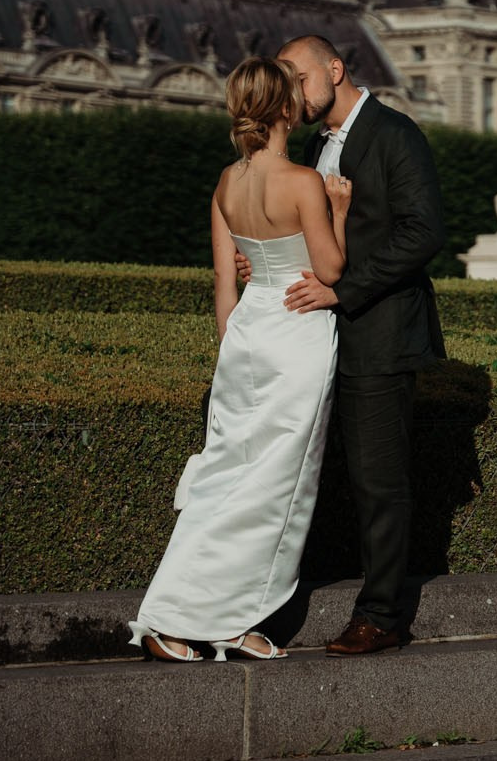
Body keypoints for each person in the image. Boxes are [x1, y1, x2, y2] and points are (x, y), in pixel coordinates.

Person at [129, 57, 351, 662]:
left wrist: (234, 345)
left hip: (248, 334)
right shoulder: (303, 182)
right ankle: (182, 618)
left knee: (227, 478)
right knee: (276, 488)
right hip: (296, 335)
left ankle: (225, 619)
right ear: (285, 110)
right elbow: (331, 270)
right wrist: (340, 210)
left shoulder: (226, 182)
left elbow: (224, 282)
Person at [269, 33, 447, 656]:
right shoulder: (315, 145)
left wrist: (343, 292)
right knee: (329, 476)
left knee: (380, 481)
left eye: (299, 78)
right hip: (321, 336)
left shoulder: (395, 134)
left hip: (379, 334)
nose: (291, 92)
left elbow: (423, 233)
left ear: (336, 69)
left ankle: (382, 616)